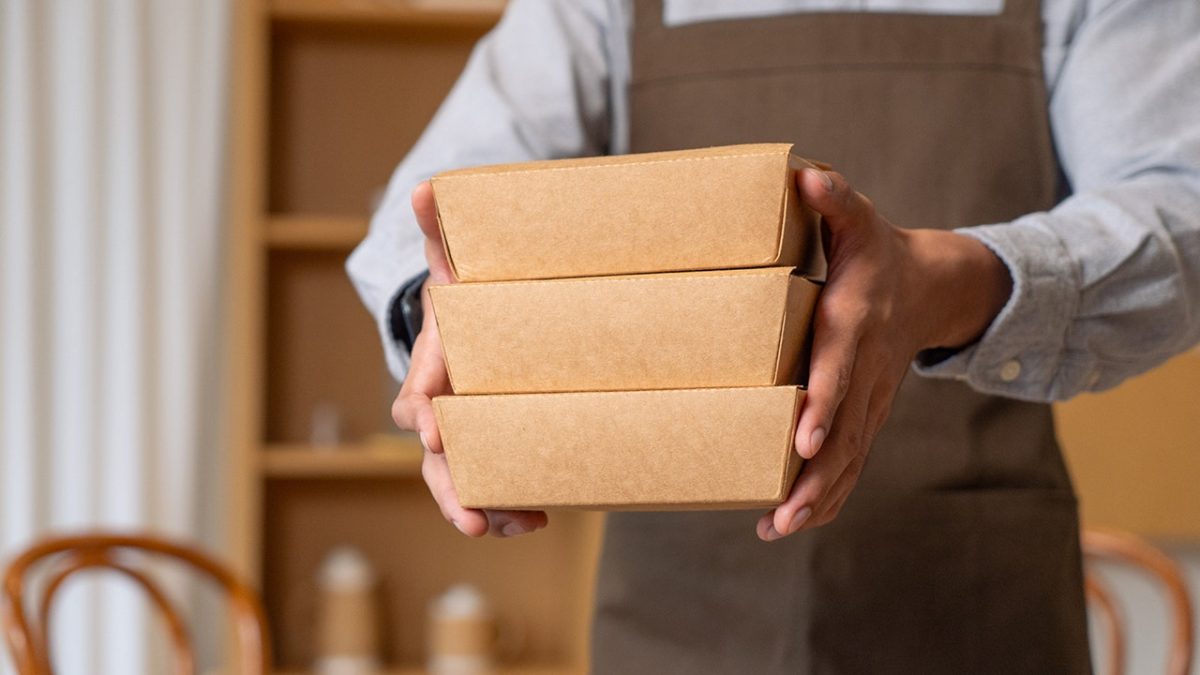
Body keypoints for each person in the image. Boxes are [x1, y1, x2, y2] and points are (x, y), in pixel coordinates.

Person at [348, 1, 1200, 672]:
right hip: (677, 623)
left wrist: (935, 286)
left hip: (977, 607)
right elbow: (421, 213)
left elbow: (1181, 208)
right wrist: (456, 323)